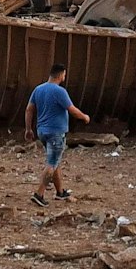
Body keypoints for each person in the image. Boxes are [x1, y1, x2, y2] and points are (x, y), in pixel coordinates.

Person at [24, 64, 90, 207]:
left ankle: (60, 192)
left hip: (42, 131)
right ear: (60, 75)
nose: (64, 77)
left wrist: (28, 129)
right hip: (56, 132)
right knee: (52, 163)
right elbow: (72, 110)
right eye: (64, 75)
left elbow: (29, 109)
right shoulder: (60, 91)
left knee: (55, 160)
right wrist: (84, 117)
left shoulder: (38, 89)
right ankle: (39, 194)